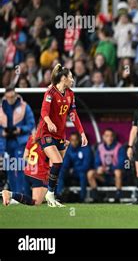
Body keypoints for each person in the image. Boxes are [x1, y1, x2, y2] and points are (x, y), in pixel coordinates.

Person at [35, 63, 88, 207]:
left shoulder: (71, 94)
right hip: (46, 133)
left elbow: (73, 114)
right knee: (57, 162)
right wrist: (49, 122)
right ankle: (50, 193)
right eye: (70, 77)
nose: (72, 79)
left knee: (56, 166)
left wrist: (82, 133)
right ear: (63, 78)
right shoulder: (50, 92)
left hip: (60, 135)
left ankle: (49, 195)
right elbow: (44, 112)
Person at [2, 132, 63, 206]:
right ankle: (10, 194)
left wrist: (33, 164)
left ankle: (12, 199)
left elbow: (25, 156)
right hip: (39, 173)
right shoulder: (50, 140)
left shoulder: (32, 137)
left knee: (31, 200)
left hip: (28, 171)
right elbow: (54, 161)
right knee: (36, 202)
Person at [0, 87, 35, 195]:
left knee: (20, 168)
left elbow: (31, 124)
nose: (11, 99)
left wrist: (20, 129)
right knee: (10, 169)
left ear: (16, 95)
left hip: (20, 141)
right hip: (6, 143)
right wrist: (2, 132)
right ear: (5, 97)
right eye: (8, 97)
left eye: (12, 97)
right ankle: (13, 194)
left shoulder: (25, 107)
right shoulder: (1, 108)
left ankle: (21, 194)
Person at [88, 129, 126, 203]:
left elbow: (122, 163)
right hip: (103, 176)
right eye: (107, 136)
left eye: (111, 136)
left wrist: (109, 168)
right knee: (90, 173)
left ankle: (117, 198)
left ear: (114, 137)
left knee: (118, 172)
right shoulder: (100, 147)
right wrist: (98, 168)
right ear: (103, 137)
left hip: (115, 176)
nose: (109, 138)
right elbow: (96, 162)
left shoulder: (119, 147)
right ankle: (96, 197)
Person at [58, 132, 93, 203]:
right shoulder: (69, 149)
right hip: (72, 172)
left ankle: (82, 198)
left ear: (79, 140)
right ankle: (59, 195)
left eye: (75, 140)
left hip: (81, 171)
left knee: (82, 175)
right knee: (61, 172)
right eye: (72, 140)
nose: (74, 142)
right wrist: (65, 169)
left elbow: (86, 165)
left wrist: (74, 170)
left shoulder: (86, 149)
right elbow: (65, 164)